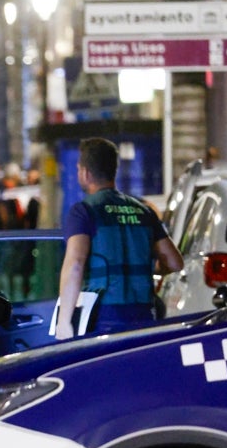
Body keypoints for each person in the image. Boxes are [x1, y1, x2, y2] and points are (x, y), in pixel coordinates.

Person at [55, 137, 183, 340]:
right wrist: (144, 267)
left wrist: (64, 322)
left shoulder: (84, 211)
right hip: (145, 314)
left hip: (104, 317)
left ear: (86, 173)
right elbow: (175, 262)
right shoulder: (143, 211)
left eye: (79, 169)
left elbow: (75, 265)